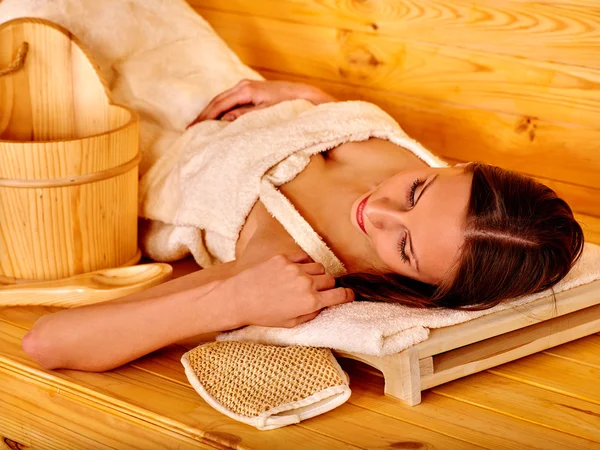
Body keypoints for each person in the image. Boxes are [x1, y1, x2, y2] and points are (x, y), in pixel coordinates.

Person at [21, 80, 584, 372]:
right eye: (416, 191)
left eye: (403, 246)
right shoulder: (435, 175)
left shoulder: (290, 257)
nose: (377, 210)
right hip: (211, 87)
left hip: (115, 145)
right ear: (458, 166)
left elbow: (48, 342)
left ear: (421, 286)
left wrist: (226, 304)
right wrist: (315, 106)